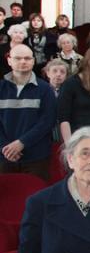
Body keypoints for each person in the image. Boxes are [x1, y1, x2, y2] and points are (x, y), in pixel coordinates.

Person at [0, 45, 57, 181]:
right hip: (4, 155)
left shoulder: (45, 89)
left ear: (33, 61)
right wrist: (4, 147)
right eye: (18, 58)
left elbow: (47, 121)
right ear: (9, 61)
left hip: (36, 157)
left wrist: (21, 143)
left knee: (35, 198)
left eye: (27, 58)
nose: (23, 61)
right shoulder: (1, 88)